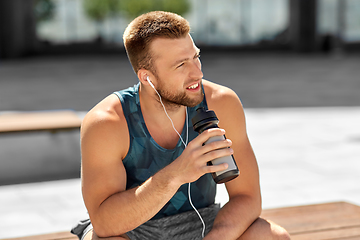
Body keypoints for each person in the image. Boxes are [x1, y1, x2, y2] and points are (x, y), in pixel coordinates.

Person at [71, 11, 290, 240]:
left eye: (196, 57)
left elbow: (247, 196)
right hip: (131, 228)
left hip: (202, 222)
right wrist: (176, 174)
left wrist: (217, 237)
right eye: (181, 65)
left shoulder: (221, 103)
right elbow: (105, 223)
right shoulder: (107, 123)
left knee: (272, 236)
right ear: (147, 78)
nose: (197, 73)